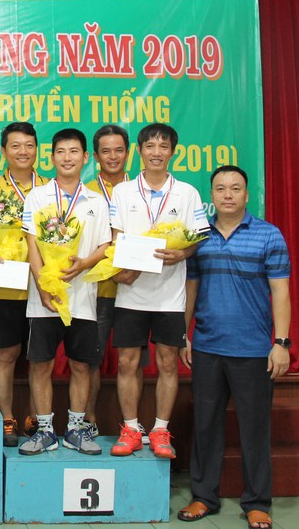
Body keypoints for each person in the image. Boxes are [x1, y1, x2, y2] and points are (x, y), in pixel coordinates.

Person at [177, 166, 290, 529]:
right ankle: (203, 497)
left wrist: (281, 343)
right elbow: (191, 288)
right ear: (211, 195)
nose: (228, 194)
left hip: (254, 350)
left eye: (235, 188)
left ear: (246, 195)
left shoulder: (269, 235)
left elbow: (280, 291)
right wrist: (184, 335)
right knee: (205, 426)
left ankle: (257, 502)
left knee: (254, 430)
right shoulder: (199, 237)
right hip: (207, 347)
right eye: (221, 188)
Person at [109, 123, 208, 459]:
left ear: (172, 152)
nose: (156, 152)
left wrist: (182, 254)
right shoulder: (123, 192)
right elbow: (115, 238)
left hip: (170, 295)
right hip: (131, 292)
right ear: (139, 151)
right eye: (149, 146)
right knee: (127, 362)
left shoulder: (187, 193)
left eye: (163, 147)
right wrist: (123, 268)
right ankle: (130, 428)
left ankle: (161, 429)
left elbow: (197, 238)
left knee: (167, 362)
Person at [18, 129, 111, 455]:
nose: (67, 158)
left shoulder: (97, 201)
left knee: (81, 365)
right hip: (43, 300)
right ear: (52, 157)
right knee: (40, 365)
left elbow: (105, 245)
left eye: (74, 152)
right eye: (60, 151)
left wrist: (84, 263)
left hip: (83, 299)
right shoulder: (37, 196)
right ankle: (44, 430)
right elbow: (31, 243)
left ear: (85, 158)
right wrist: (43, 285)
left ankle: (75, 429)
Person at [0, 122, 47, 445]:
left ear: (37, 150)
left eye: (29, 145)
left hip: (43, 285)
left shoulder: (50, 188)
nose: (23, 152)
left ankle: (36, 418)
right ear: (3, 151)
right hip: (5, 283)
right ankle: (6, 418)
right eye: (15, 146)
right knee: (5, 353)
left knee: (39, 356)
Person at [84, 124, 149, 445]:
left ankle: (132, 425)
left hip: (135, 289)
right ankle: (89, 422)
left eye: (119, 150)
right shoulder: (84, 192)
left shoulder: (142, 191)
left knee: (132, 361)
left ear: (129, 153)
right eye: (106, 151)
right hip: (96, 290)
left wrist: (134, 267)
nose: (113, 156)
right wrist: (109, 272)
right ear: (95, 156)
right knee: (89, 360)